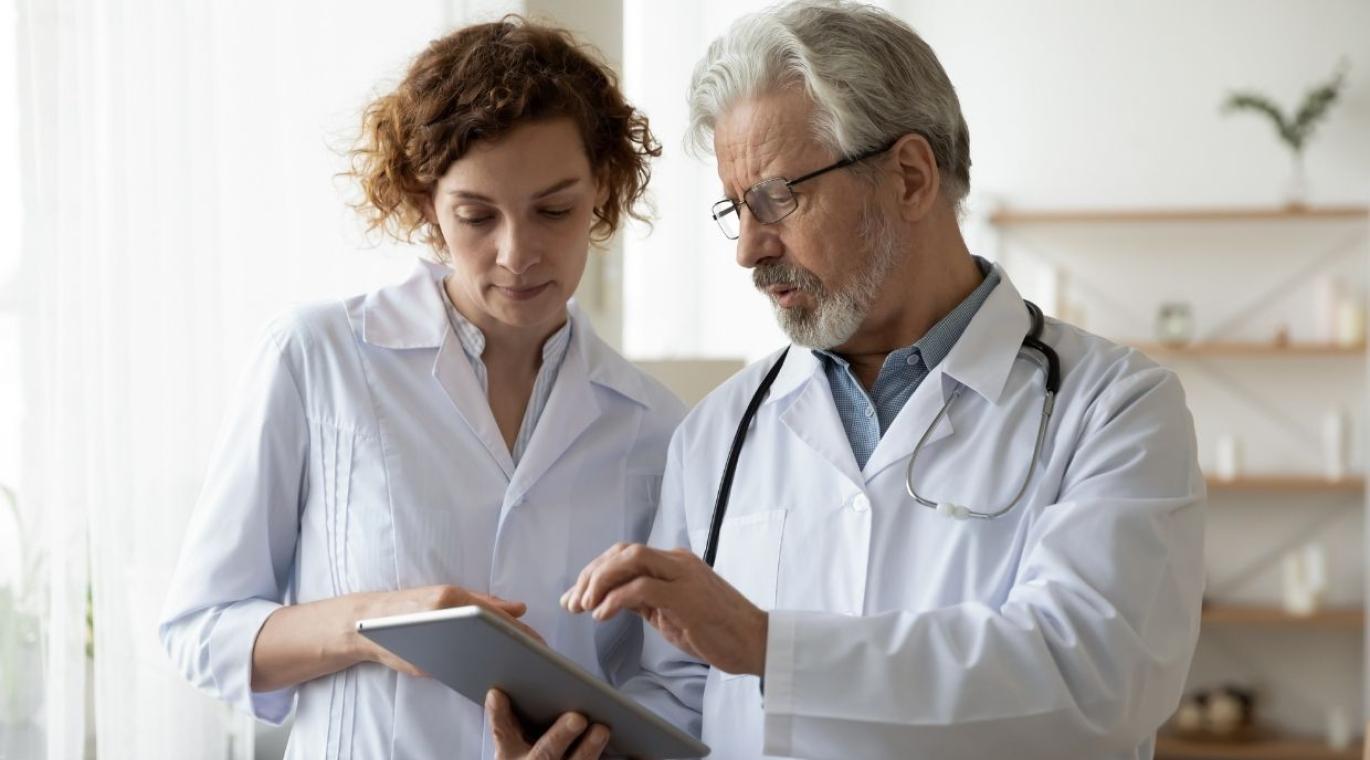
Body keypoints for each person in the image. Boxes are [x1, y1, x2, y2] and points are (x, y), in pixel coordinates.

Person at [548, 2, 1205, 758]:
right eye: (738, 209)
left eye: (776, 198)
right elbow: (683, 695)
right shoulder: (720, 431)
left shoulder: (1116, 409)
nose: (750, 249)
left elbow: (1096, 677)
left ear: (911, 177)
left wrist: (770, 645)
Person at [159, 17, 684, 759]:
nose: (517, 253)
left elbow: (670, 685)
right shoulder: (318, 359)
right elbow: (201, 627)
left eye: (555, 210)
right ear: (426, 202)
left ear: (601, 188)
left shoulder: (655, 427)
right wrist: (385, 622)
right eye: (476, 216)